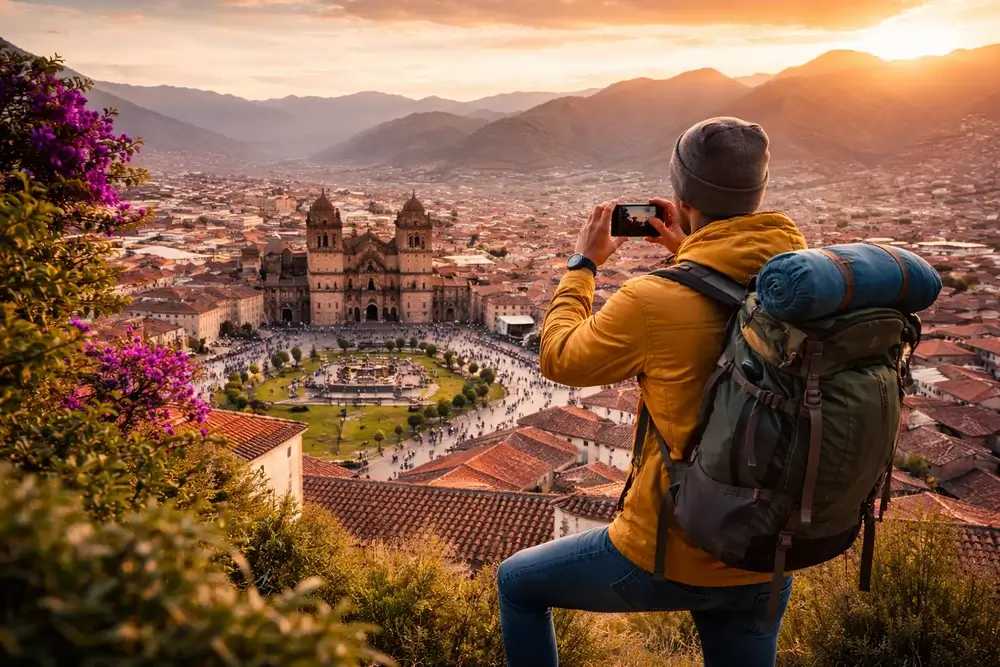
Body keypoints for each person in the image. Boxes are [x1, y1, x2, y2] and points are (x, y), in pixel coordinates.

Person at [496, 117, 808, 667]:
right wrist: (690, 252)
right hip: (768, 550)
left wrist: (584, 264)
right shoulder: (798, 281)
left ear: (679, 196)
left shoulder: (653, 300)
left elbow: (558, 356)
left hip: (669, 552)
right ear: (758, 195)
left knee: (518, 585)